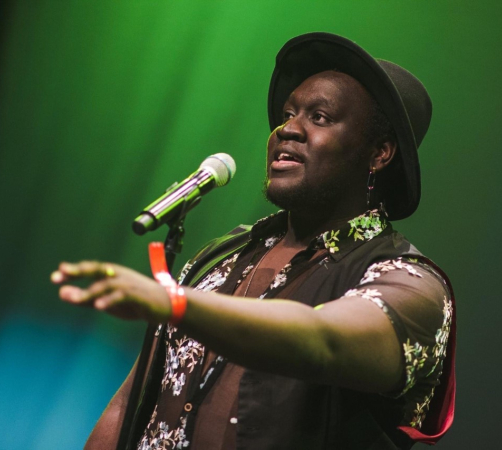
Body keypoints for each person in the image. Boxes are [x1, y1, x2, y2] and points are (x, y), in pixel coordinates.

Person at [51, 33, 456, 450]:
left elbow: (323, 341)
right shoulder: (225, 253)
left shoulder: (410, 283)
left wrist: (176, 303)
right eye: (288, 113)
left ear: (380, 153)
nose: (288, 129)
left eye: (319, 117)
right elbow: (130, 403)